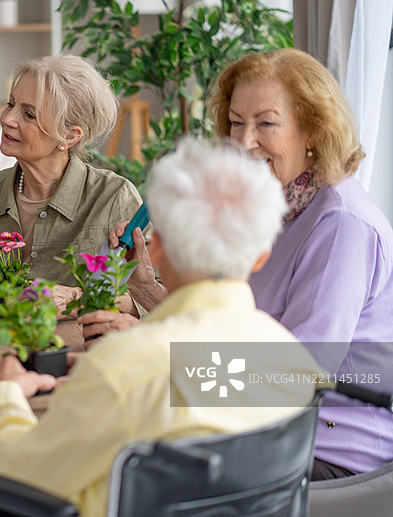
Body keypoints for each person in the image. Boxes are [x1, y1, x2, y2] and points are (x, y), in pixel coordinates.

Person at [0, 139, 320, 517]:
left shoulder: (124, 369)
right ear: (261, 254)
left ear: (159, 248)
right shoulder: (288, 359)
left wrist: (4, 395)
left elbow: (10, 469)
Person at [103, 48, 393, 480]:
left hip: (330, 450)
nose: (244, 142)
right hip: (264, 426)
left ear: (312, 131)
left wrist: (161, 361)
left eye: (266, 123)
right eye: (236, 123)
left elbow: (297, 374)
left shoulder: (341, 224)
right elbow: (238, 334)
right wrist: (149, 294)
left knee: (124, 465)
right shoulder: (276, 206)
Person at [0, 54, 143, 312]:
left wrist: (74, 299)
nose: (7, 119)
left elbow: (151, 298)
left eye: (29, 114)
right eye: (10, 104)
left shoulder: (114, 197)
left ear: (69, 135)